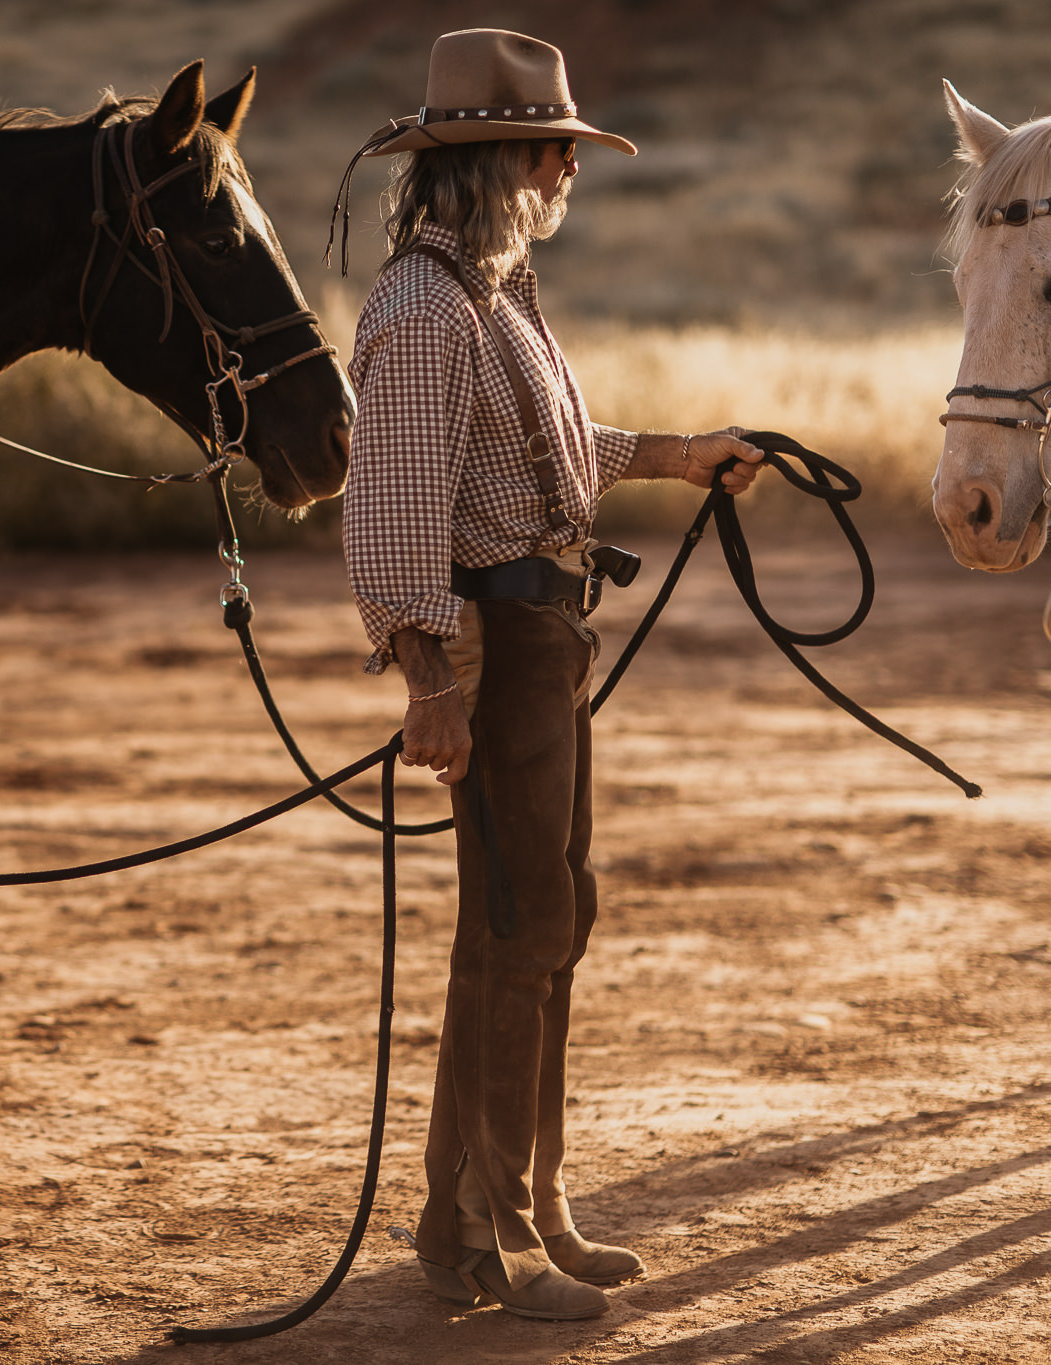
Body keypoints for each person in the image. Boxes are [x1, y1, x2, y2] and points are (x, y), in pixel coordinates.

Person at [337, 29, 765, 1321]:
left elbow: (553, 461)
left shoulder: (496, 295)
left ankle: (511, 1202)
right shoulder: (423, 315)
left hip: (545, 643)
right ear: (511, 161)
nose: (569, 174)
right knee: (520, 924)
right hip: (495, 649)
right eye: (557, 153)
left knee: (545, 916)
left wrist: (687, 453)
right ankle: (492, 1232)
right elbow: (395, 526)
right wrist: (428, 680)